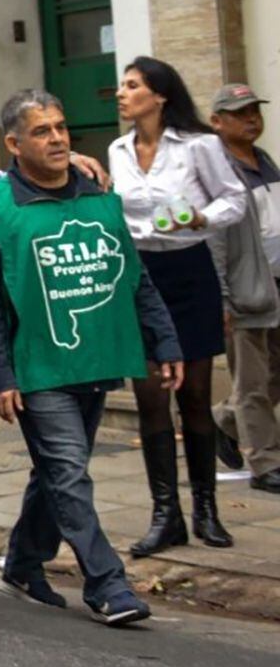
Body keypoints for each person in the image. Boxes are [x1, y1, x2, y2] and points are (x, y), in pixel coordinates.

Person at [0, 90, 178, 625]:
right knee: (67, 471)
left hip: (95, 357)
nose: (58, 138)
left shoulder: (98, 198)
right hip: (39, 367)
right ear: (14, 144)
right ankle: (108, 585)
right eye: (42, 131)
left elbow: (136, 277)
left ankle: (21, 562)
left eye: (61, 127)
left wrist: (164, 341)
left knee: (60, 470)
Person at [111, 57, 247, 553]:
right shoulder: (117, 149)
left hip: (189, 272)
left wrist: (199, 221)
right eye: (122, 86)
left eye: (132, 86)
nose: (122, 94)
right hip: (141, 277)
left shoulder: (200, 146)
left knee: (193, 398)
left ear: (160, 95)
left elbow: (234, 200)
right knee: (150, 397)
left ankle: (206, 511)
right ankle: (164, 514)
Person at [209, 84, 280, 494]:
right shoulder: (221, 173)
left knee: (274, 372)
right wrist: (221, 295)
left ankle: (225, 419)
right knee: (252, 378)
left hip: (274, 283)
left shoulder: (264, 160)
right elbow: (214, 238)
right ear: (218, 122)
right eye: (240, 113)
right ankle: (265, 462)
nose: (251, 118)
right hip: (246, 290)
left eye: (254, 110)